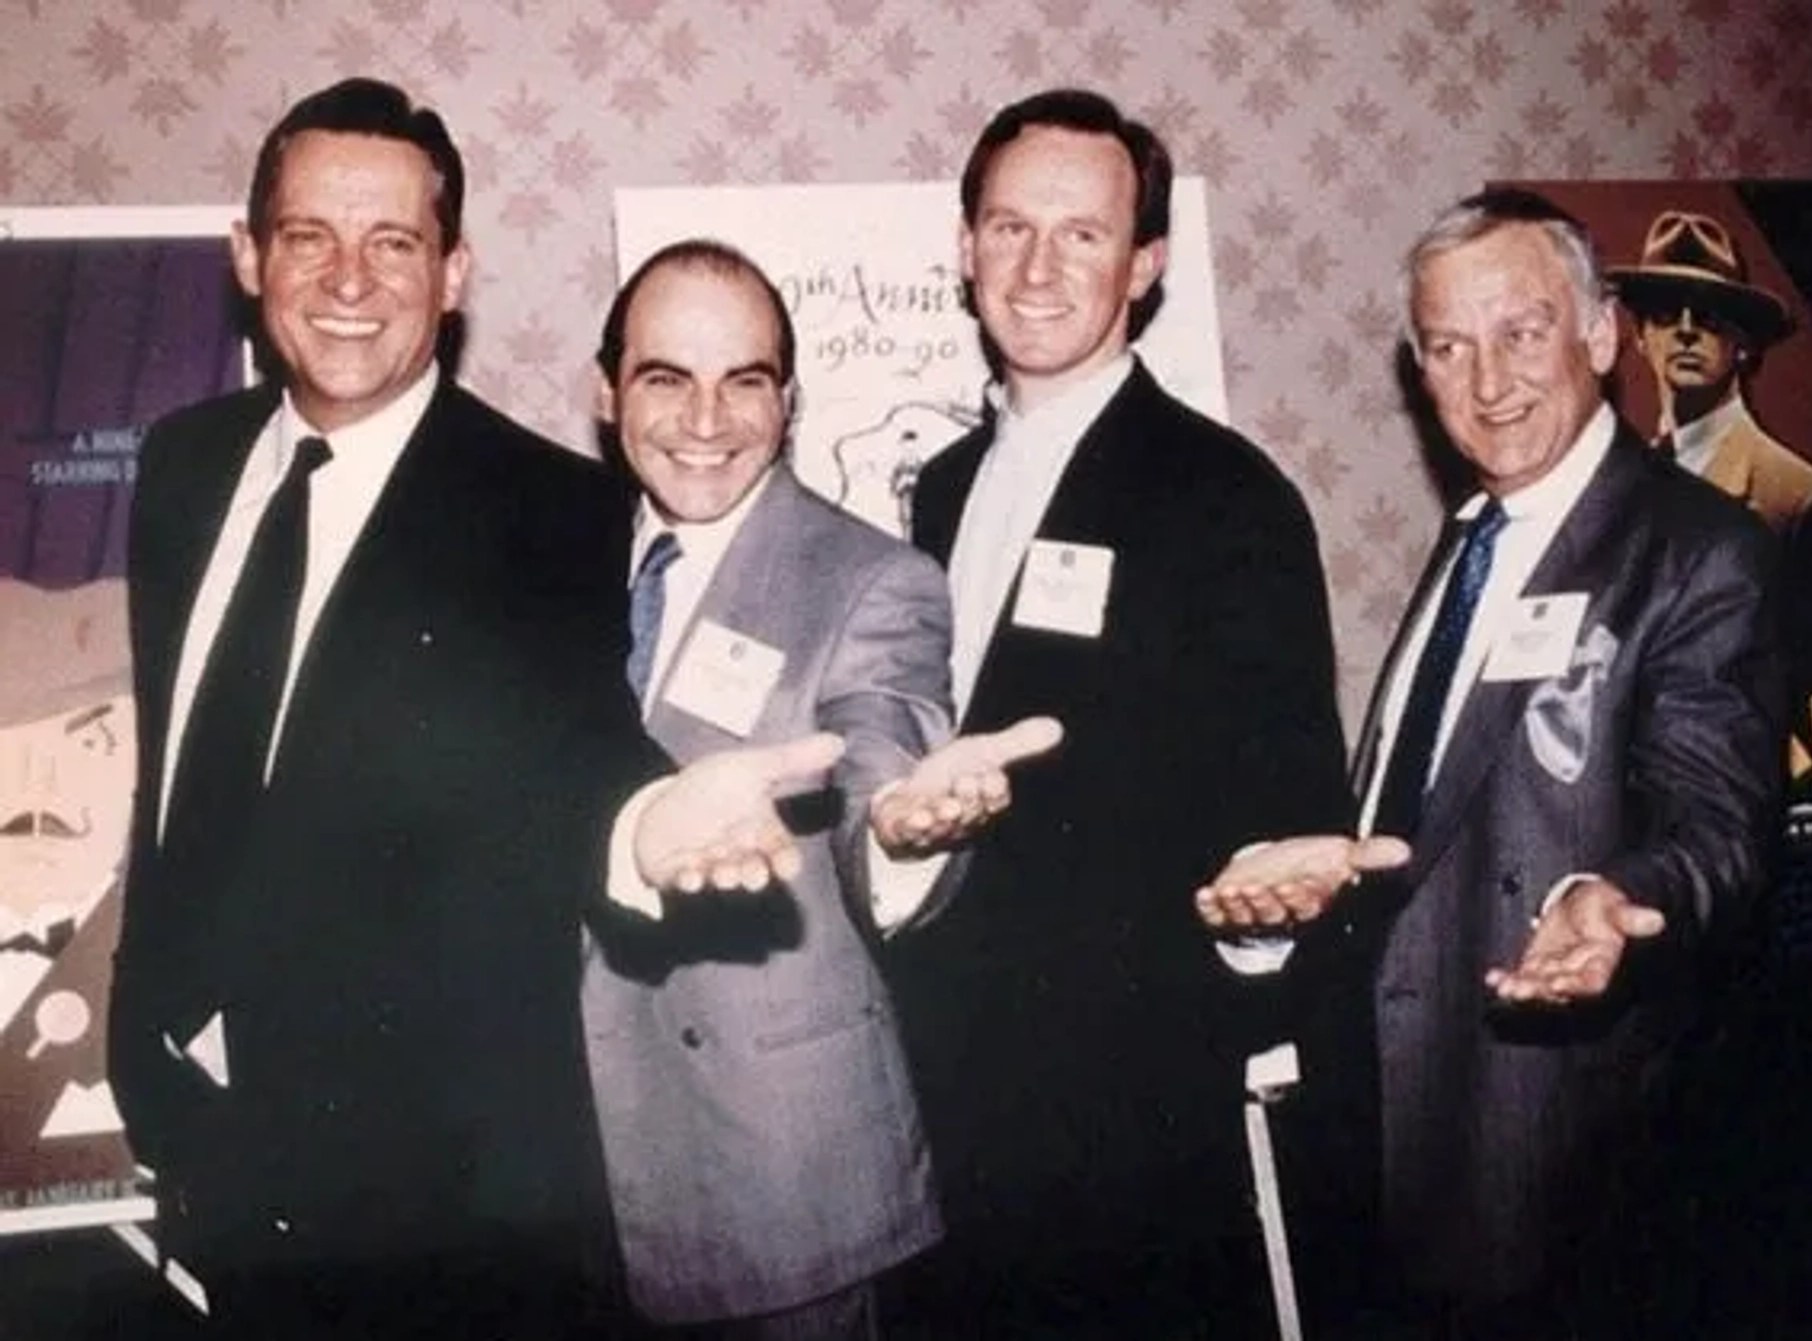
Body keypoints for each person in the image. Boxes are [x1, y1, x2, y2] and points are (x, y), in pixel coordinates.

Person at [107, 78, 839, 1341]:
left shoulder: (546, 510)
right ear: (247, 258)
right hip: (199, 1132)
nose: (351, 279)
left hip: (428, 1210)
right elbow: (184, 781)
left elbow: (568, 752)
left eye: (395, 243)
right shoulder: (183, 465)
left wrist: (643, 830)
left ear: (454, 274)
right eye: (309, 239)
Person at [1197, 189, 1783, 1339]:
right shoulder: (1473, 536)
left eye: (1520, 333)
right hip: (1399, 1132)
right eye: (1448, 350)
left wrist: (1616, 899)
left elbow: (1718, 822)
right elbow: (1435, 824)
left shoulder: (1695, 550)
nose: (1488, 382)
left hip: (1549, 1151)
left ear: (1602, 334)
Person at [883, 87, 1351, 1337]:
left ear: (1144, 264)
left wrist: (1259, 943)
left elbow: (1290, 813)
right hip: (940, 1096)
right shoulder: (942, 487)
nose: (1038, 267)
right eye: (1008, 227)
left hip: (1123, 1125)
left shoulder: (1228, 497)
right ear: (965, 245)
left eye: (1083, 235)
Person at [581, 238, 1058, 1341]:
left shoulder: (870, 580)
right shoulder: (550, 560)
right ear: (608, 394)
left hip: (776, 1182)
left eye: (743, 381)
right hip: (577, 1178)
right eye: (667, 378)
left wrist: (907, 832)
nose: (707, 419)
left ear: (788, 403)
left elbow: (879, 759)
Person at [1610, 207, 1812, 666]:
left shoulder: (1805, 502)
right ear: (1642, 335)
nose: (1686, 330)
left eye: (1709, 317)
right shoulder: (1619, 488)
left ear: (1744, 343)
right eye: (1667, 314)